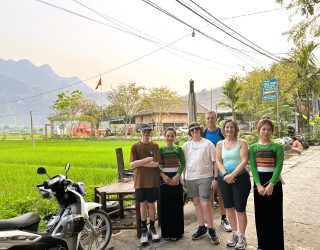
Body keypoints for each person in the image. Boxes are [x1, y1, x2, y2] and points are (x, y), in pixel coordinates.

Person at [249, 117, 284, 250]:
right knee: (261, 215)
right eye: (263, 129)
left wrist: (271, 185)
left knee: (275, 215)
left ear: (272, 131)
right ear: (259, 130)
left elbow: (279, 166)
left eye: (269, 129)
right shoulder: (252, 147)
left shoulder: (278, 147)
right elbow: (253, 167)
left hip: (274, 183)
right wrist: (258, 185)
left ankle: (276, 245)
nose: (266, 132)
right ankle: (262, 244)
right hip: (259, 183)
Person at [183, 122, 220, 245]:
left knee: (205, 204)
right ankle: (201, 227)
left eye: (197, 129)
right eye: (192, 129)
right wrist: (183, 178)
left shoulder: (208, 144)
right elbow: (183, 163)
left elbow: (215, 162)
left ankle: (211, 229)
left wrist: (215, 178)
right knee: (197, 203)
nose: (195, 131)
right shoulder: (186, 145)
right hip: (191, 178)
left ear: (200, 130)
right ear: (190, 132)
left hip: (206, 177)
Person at [216, 119, 251, 249]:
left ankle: (242, 236)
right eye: (227, 127)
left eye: (231, 127)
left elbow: (244, 161)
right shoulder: (220, 144)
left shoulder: (242, 143)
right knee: (228, 207)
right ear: (224, 129)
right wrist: (225, 175)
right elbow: (218, 161)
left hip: (240, 179)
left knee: (240, 209)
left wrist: (232, 175)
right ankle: (235, 233)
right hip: (224, 180)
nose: (229, 129)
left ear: (236, 129)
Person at [130, 123, 161, 246]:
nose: (146, 134)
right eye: (144, 132)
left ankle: (152, 229)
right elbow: (132, 164)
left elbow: (157, 164)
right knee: (142, 205)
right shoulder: (135, 146)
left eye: (148, 132)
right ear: (140, 132)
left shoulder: (155, 146)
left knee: (152, 205)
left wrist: (140, 163)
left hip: (152, 180)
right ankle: (144, 230)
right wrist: (148, 159)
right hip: (140, 181)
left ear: (150, 133)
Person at [202, 110, 232, 232]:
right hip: (207, 169)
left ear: (216, 119)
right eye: (208, 118)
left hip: (220, 168)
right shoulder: (203, 133)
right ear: (205, 120)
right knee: (208, 196)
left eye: (212, 118)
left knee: (221, 195)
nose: (210, 120)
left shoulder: (221, 132)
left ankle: (224, 218)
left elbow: (229, 145)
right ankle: (208, 221)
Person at [159, 127, 186, 241]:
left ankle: (177, 232)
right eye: (168, 136)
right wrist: (163, 175)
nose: (170, 138)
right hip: (164, 180)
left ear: (175, 137)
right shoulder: (160, 150)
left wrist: (177, 175)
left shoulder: (179, 149)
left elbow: (183, 163)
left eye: (172, 136)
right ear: (165, 137)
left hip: (175, 178)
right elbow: (157, 165)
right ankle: (166, 233)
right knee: (165, 207)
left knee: (176, 206)